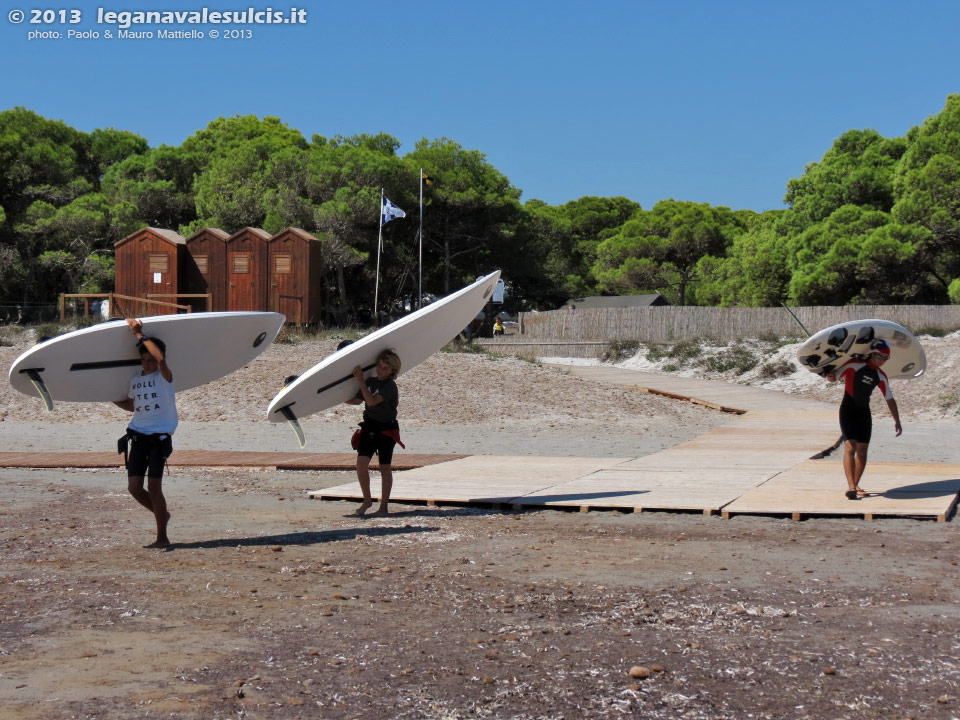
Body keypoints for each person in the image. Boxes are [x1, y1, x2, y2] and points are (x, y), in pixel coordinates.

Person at [112, 318, 178, 547]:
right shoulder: (136, 379)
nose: (147, 364)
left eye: (150, 360)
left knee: (154, 488)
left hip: (158, 439)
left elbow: (160, 359)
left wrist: (139, 334)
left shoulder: (165, 377)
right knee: (134, 487)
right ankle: (163, 515)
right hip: (138, 436)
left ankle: (162, 536)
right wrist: (108, 397)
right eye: (143, 360)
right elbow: (133, 405)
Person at [825, 339, 902, 500]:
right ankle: (851, 486)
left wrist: (897, 420)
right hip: (848, 409)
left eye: (885, 358)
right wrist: (830, 374)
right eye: (879, 356)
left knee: (862, 449)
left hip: (864, 412)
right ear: (871, 353)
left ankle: (856, 485)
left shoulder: (880, 375)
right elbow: (833, 378)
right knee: (850, 447)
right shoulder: (854, 364)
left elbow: (889, 398)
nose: (881, 361)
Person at [345, 349, 403, 517]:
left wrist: (360, 381)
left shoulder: (390, 386)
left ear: (392, 370)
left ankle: (383, 506)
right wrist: (333, 397)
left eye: (385, 368)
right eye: (379, 366)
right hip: (369, 427)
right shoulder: (371, 381)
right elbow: (357, 400)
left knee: (384, 468)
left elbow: (370, 401)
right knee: (361, 464)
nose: (380, 370)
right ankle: (367, 501)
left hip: (386, 430)